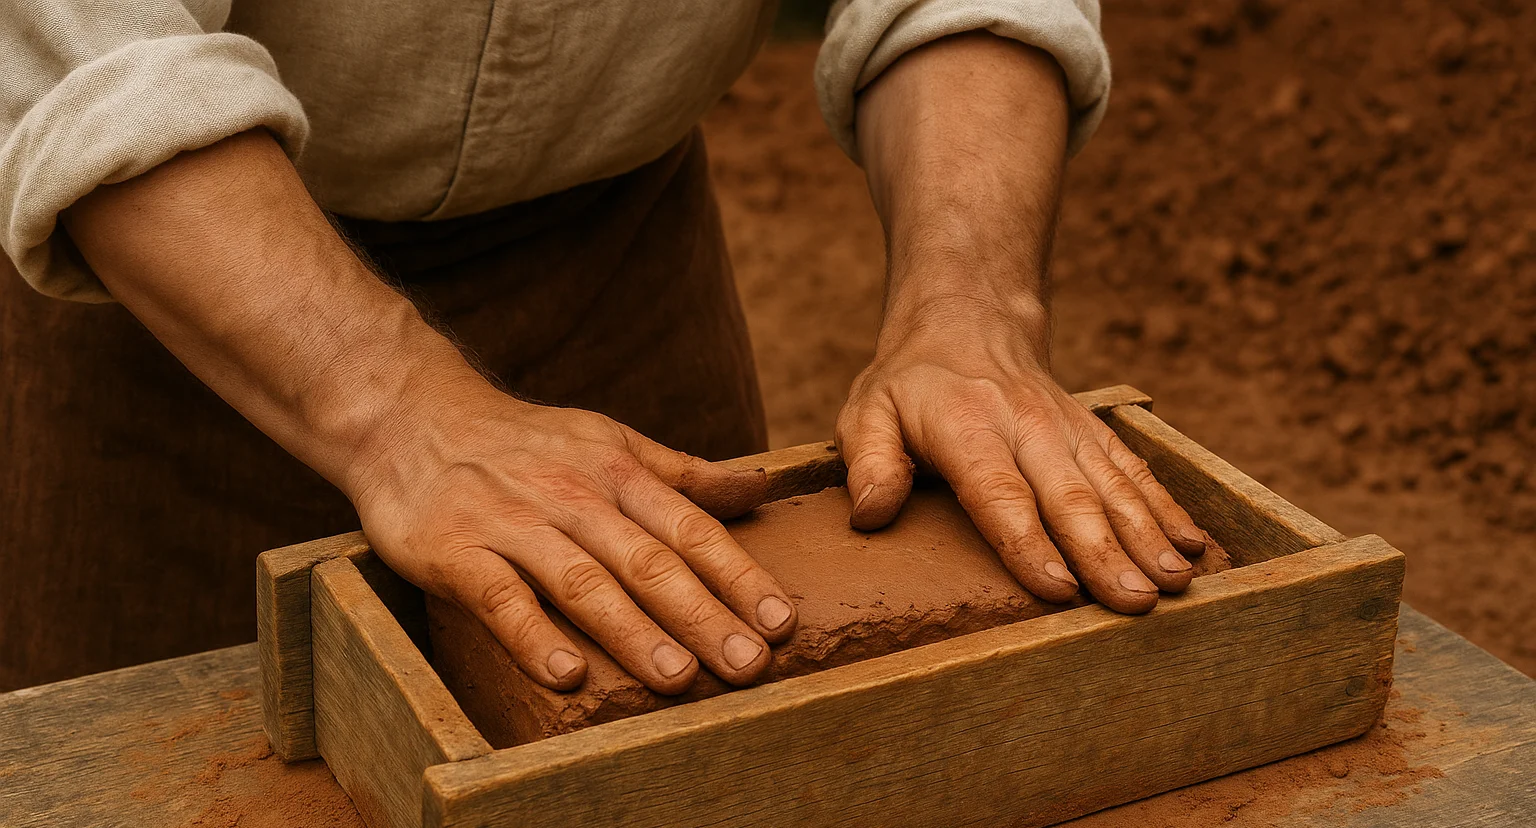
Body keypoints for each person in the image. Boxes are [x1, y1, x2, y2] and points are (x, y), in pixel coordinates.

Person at [0, 1, 1207, 695]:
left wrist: (970, 306)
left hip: (622, 258)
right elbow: (95, 43)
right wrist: (391, 406)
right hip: (174, 306)